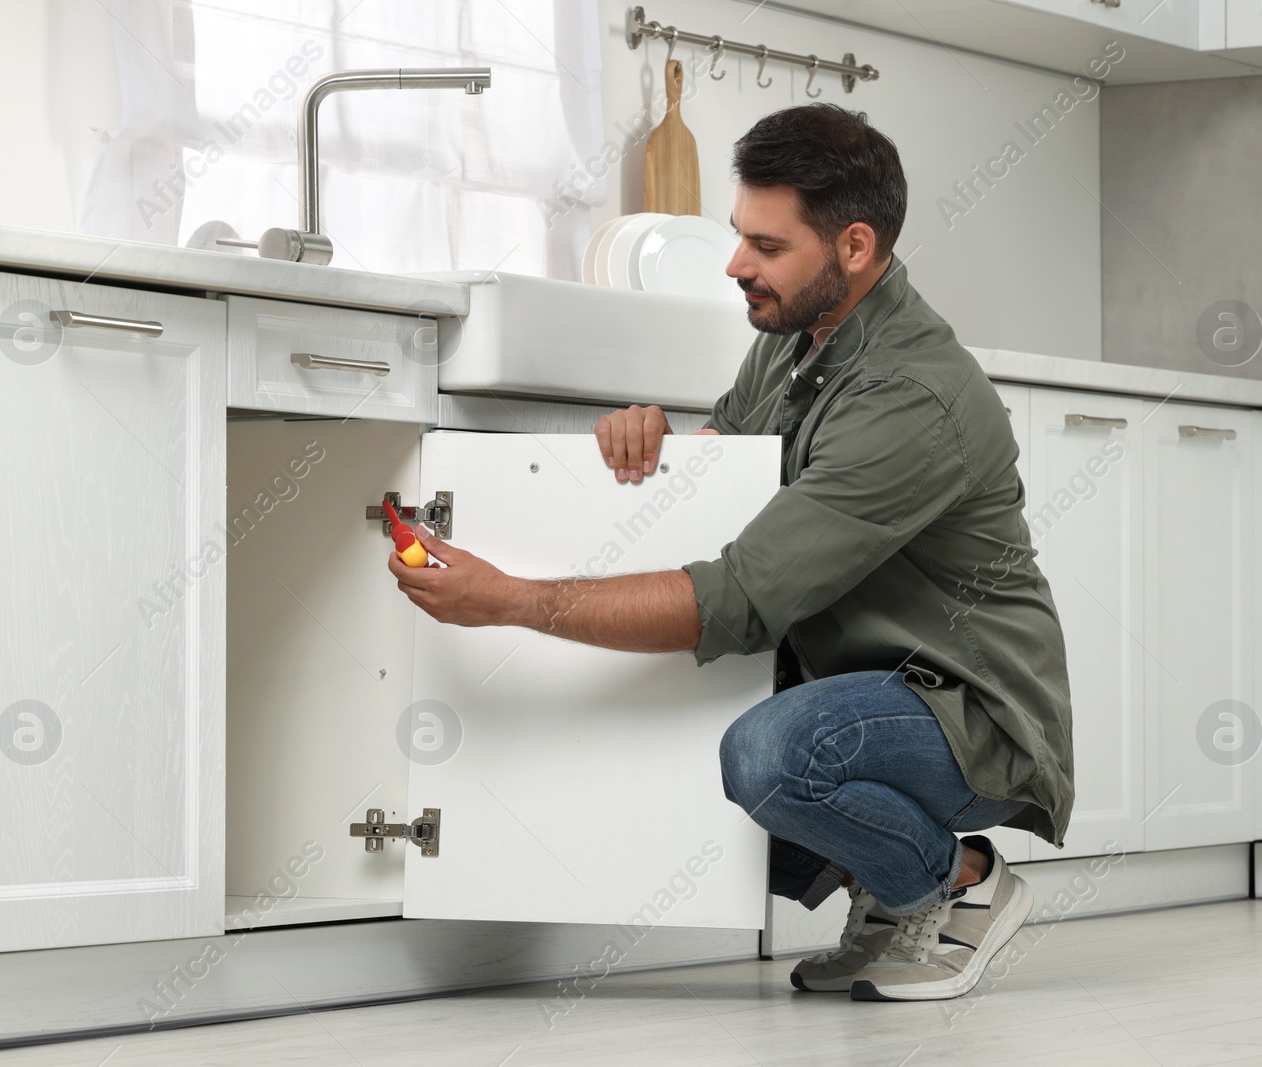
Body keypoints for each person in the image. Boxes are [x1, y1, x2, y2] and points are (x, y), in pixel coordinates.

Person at [388, 102, 1074, 1003]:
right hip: (861, 683)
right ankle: (886, 897)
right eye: (738, 234)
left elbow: (738, 599)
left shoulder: (910, 396)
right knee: (686, 724)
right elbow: (718, 480)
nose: (736, 263)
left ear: (855, 247)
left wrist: (513, 599)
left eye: (766, 244)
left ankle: (960, 885)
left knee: (770, 757)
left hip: (969, 710)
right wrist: (658, 445)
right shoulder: (798, 338)